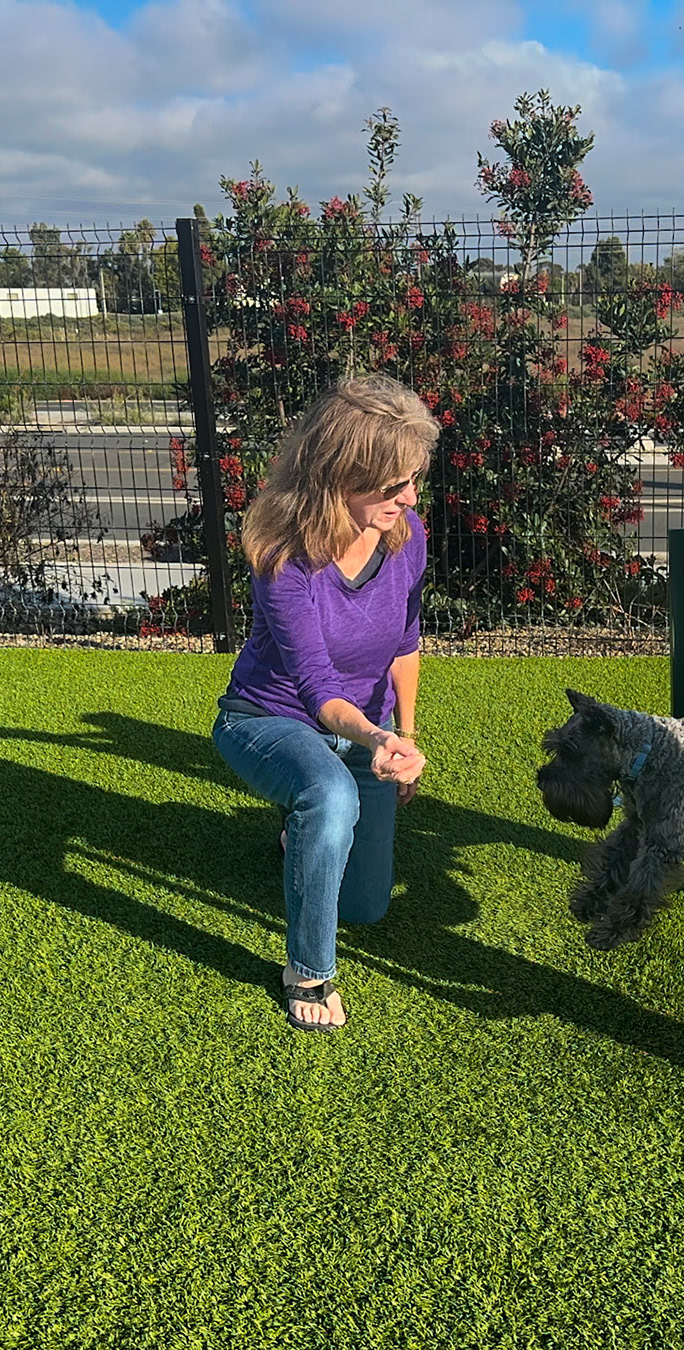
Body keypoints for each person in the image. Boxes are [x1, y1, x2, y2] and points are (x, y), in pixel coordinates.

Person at [212, 374, 436, 1033]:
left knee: (365, 906)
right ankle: (307, 971)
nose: (410, 498)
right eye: (393, 486)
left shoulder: (407, 533)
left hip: (363, 730)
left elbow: (404, 641)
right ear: (342, 475)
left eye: (413, 480)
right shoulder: (284, 557)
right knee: (330, 795)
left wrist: (404, 738)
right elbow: (318, 691)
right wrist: (373, 742)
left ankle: (301, 833)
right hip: (269, 719)